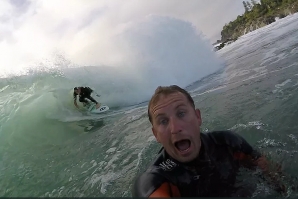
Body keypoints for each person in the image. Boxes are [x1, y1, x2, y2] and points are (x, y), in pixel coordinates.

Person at [132, 85, 287, 197]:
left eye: (181, 113)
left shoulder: (228, 144)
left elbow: (276, 179)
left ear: (198, 117)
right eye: (163, 121)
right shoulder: (155, 180)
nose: (175, 128)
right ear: (156, 135)